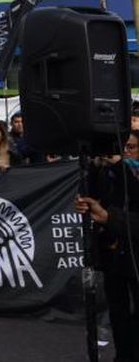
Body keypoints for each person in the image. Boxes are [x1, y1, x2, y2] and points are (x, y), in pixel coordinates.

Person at [77, 133, 139, 362]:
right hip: (113, 251)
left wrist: (120, 166)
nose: (125, 152)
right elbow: (91, 196)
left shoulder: (125, 171)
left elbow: (134, 196)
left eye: (131, 147)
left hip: (134, 251)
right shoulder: (108, 170)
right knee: (117, 311)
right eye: (122, 147)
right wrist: (95, 168)